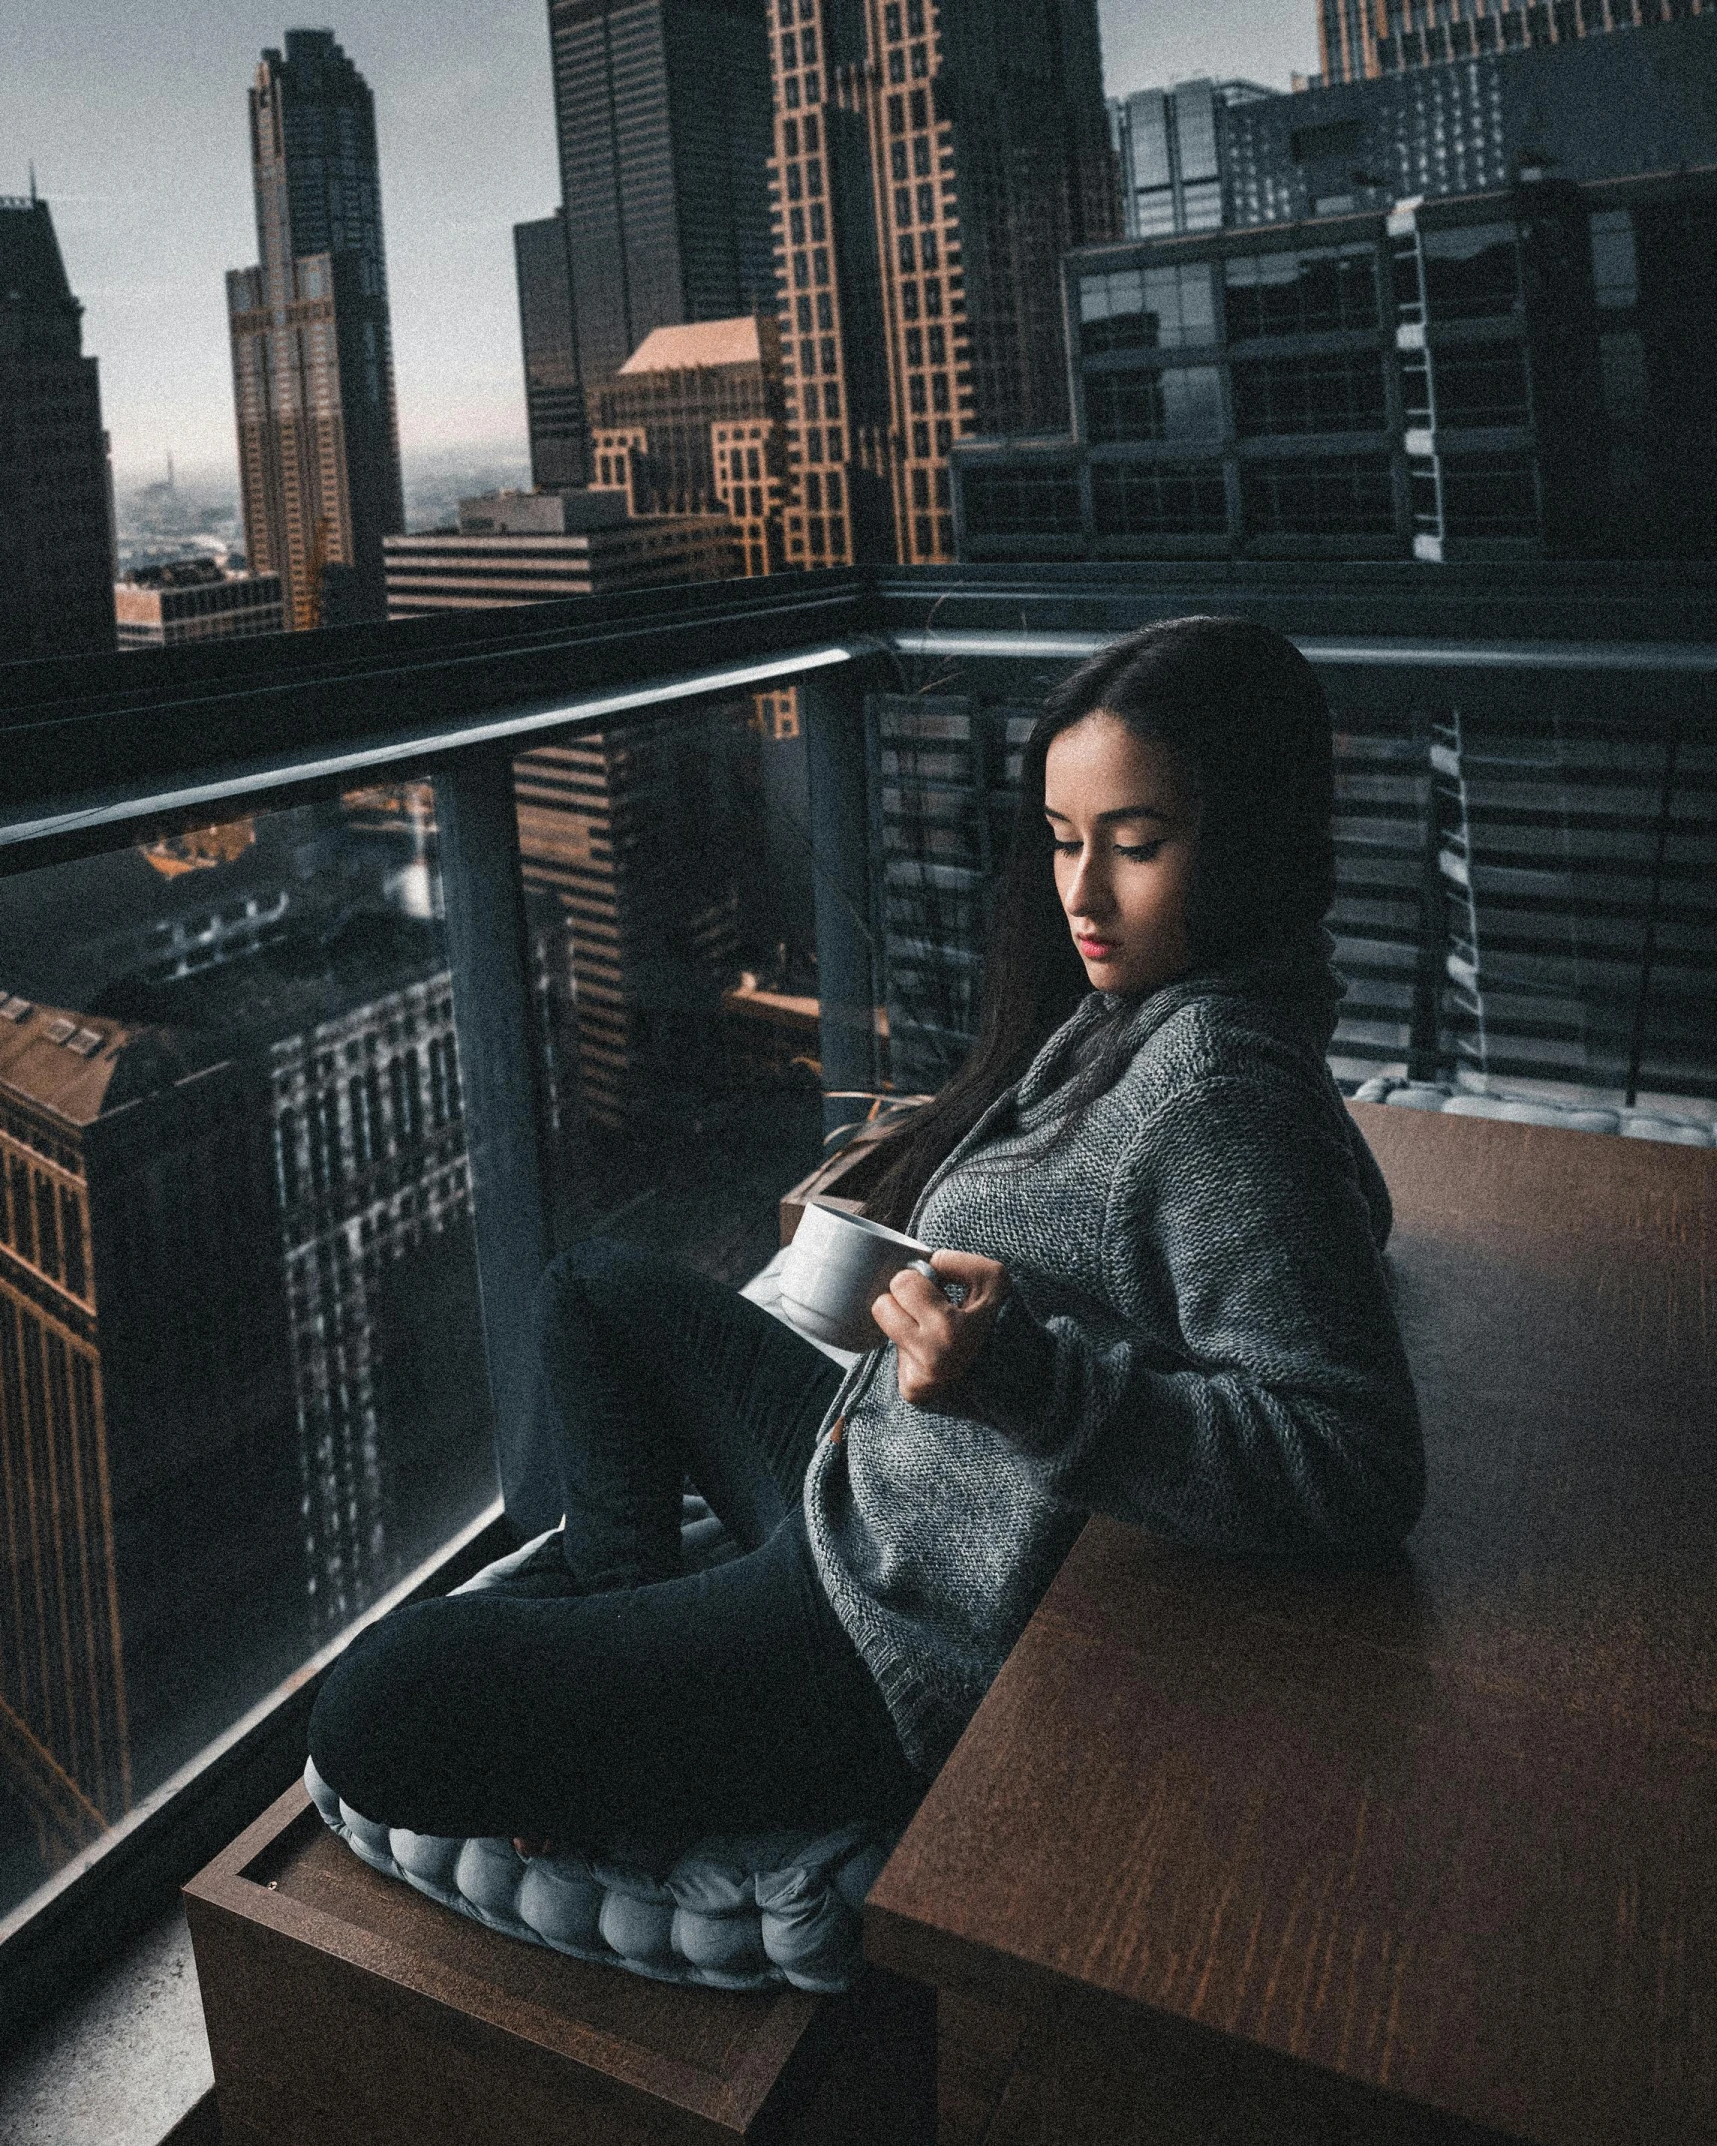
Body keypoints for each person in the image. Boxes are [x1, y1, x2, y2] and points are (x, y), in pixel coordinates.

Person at [308, 616, 1425, 1856]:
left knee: (373, 1706)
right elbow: (1337, 1213)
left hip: (893, 1627)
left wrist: (1034, 1381)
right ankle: (638, 1658)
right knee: (589, 1288)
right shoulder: (1181, 1017)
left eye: (1136, 846)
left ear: (1250, 844)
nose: (1079, 895)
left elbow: (1357, 1464)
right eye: (1061, 842)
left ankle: (639, 1731)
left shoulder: (1218, 1080)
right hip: (873, 1479)